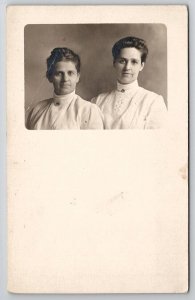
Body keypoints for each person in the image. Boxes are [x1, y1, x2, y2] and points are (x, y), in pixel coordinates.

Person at [91, 36, 167, 129]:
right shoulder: (97, 101)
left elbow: (157, 141)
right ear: (114, 63)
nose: (127, 67)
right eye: (122, 61)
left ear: (141, 66)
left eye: (134, 62)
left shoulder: (153, 101)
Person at [26, 47, 104, 129]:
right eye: (59, 73)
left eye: (70, 73)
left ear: (77, 77)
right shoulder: (37, 110)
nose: (65, 79)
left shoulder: (88, 111)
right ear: (50, 77)